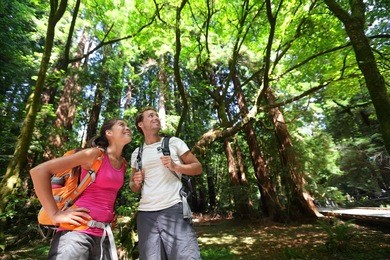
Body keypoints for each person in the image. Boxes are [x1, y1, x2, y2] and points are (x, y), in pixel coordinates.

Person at [30, 119, 132, 260]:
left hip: (104, 235)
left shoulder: (123, 164)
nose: (127, 128)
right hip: (76, 232)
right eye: (122, 125)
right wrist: (55, 214)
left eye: (128, 125)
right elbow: (39, 171)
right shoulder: (95, 155)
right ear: (109, 133)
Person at [130, 106, 202, 260]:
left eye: (156, 115)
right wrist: (136, 183)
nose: (156, 118)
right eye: (150, 116)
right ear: (140, 125)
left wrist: (177, 167)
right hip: (145, 214)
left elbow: (197, 168)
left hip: (173, 209)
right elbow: (133, 186)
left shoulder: (174, 143)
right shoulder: (137, 153)